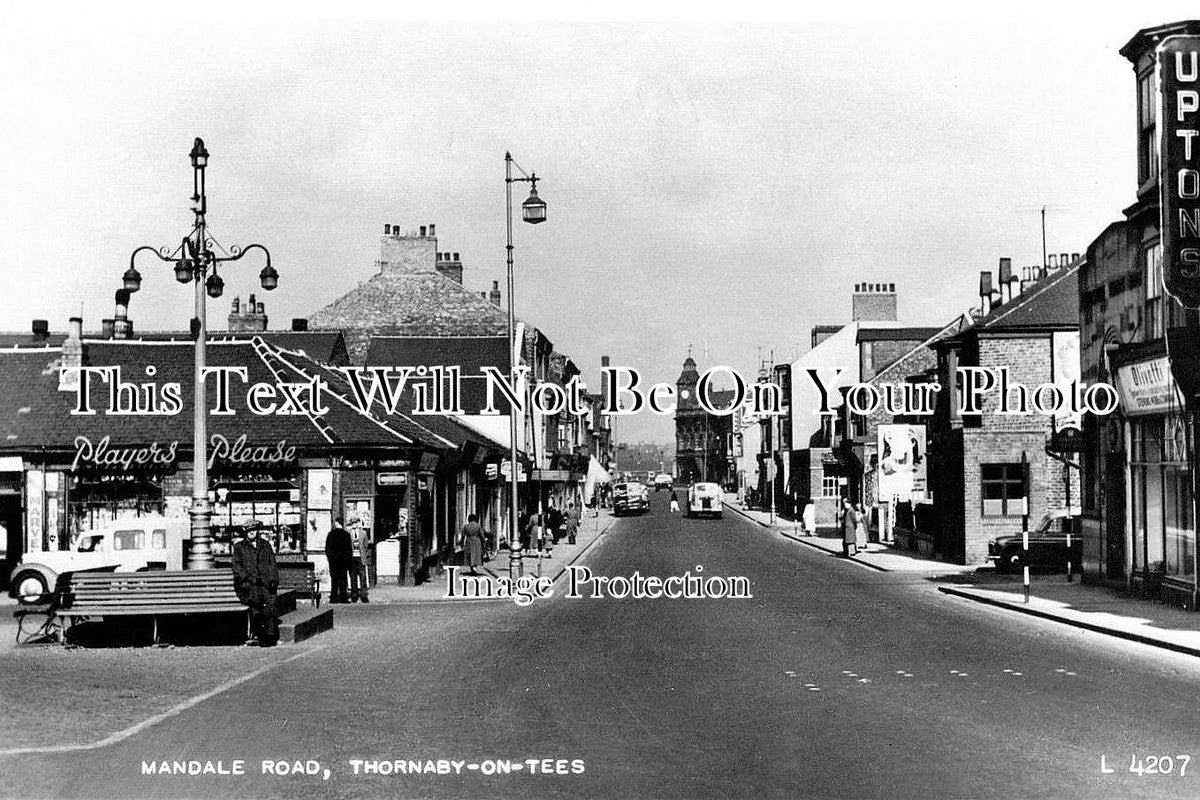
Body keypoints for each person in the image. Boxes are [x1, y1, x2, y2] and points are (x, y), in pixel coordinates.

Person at [232, 520, 279, 647]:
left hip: (265, 582)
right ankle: (260, 635)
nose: (252, 533)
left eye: (254, 530)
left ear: (257, 531)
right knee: (256, 606)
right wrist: (249, 579)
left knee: (270, 605)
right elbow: (237, 568)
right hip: (250, 584)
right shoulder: (239, 547)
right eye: (249, 531)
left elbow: (272, 563)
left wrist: (273, 580)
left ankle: (270, 636)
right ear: (245, 533)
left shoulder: (265, 545)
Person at [324, 517, 353, 604]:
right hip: (343, 561)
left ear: (336, 523)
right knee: (343, 579)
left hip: (333, 561)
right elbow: (349, 550)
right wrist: (348, 560)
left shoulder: (331, 534)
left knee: (334, 580)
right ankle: (343, 598)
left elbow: (327, 548)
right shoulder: (346, 535)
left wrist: (330, 558)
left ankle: (333, 598)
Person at [349, 519, 370, 603]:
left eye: (355, 523)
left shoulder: (363, 533)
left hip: (361, 558)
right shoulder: (348, 533)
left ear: (358, 523)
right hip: (352, 558)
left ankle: (363, 595)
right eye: (352, 523)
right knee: (353, 577)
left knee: (363, 577)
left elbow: (366, 545)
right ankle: (354, 595)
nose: (354, 525)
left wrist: (364, 555)